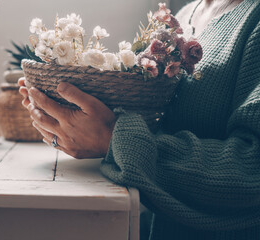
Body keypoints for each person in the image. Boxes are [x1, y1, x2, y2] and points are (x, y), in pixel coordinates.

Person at [19, 0, 260, 238]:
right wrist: (76, 122)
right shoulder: (184, 15)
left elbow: (252, 169)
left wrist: (112, 139)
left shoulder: (253, 20)